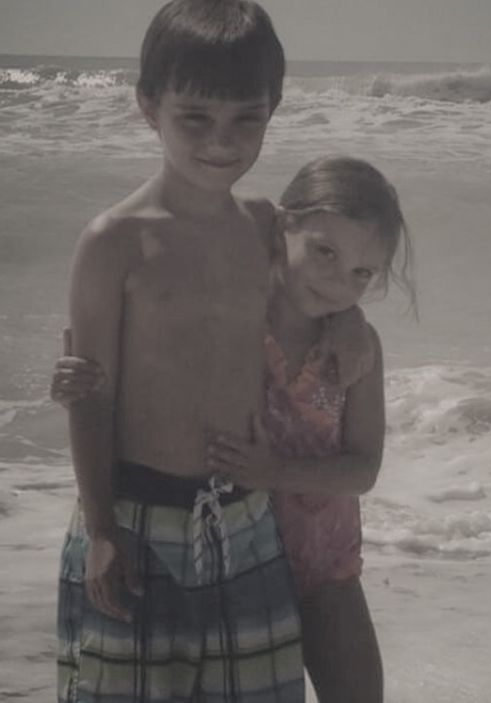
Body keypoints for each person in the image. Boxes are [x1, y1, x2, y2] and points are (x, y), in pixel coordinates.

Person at [53, 156, 416, 703]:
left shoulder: (354, 353)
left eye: (362, 273)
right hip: (231, 551)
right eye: (325, 252)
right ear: (283, 227)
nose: (340, 282)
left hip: (324, 562)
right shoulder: (235, 317)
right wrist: (77, 378)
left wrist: (277, 471)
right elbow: (149, 379)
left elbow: (363, 468)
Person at [55, 1, 304, 702]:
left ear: (272, 108)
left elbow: (322, 308)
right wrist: (101, 527)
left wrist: (351, 342)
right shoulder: (114, 240)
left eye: (244, 118)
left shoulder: (264, 225)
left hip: (245, 519)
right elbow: (91, 393)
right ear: (147, 107)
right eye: (194, 116)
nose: (220, 141)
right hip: (136, 519)